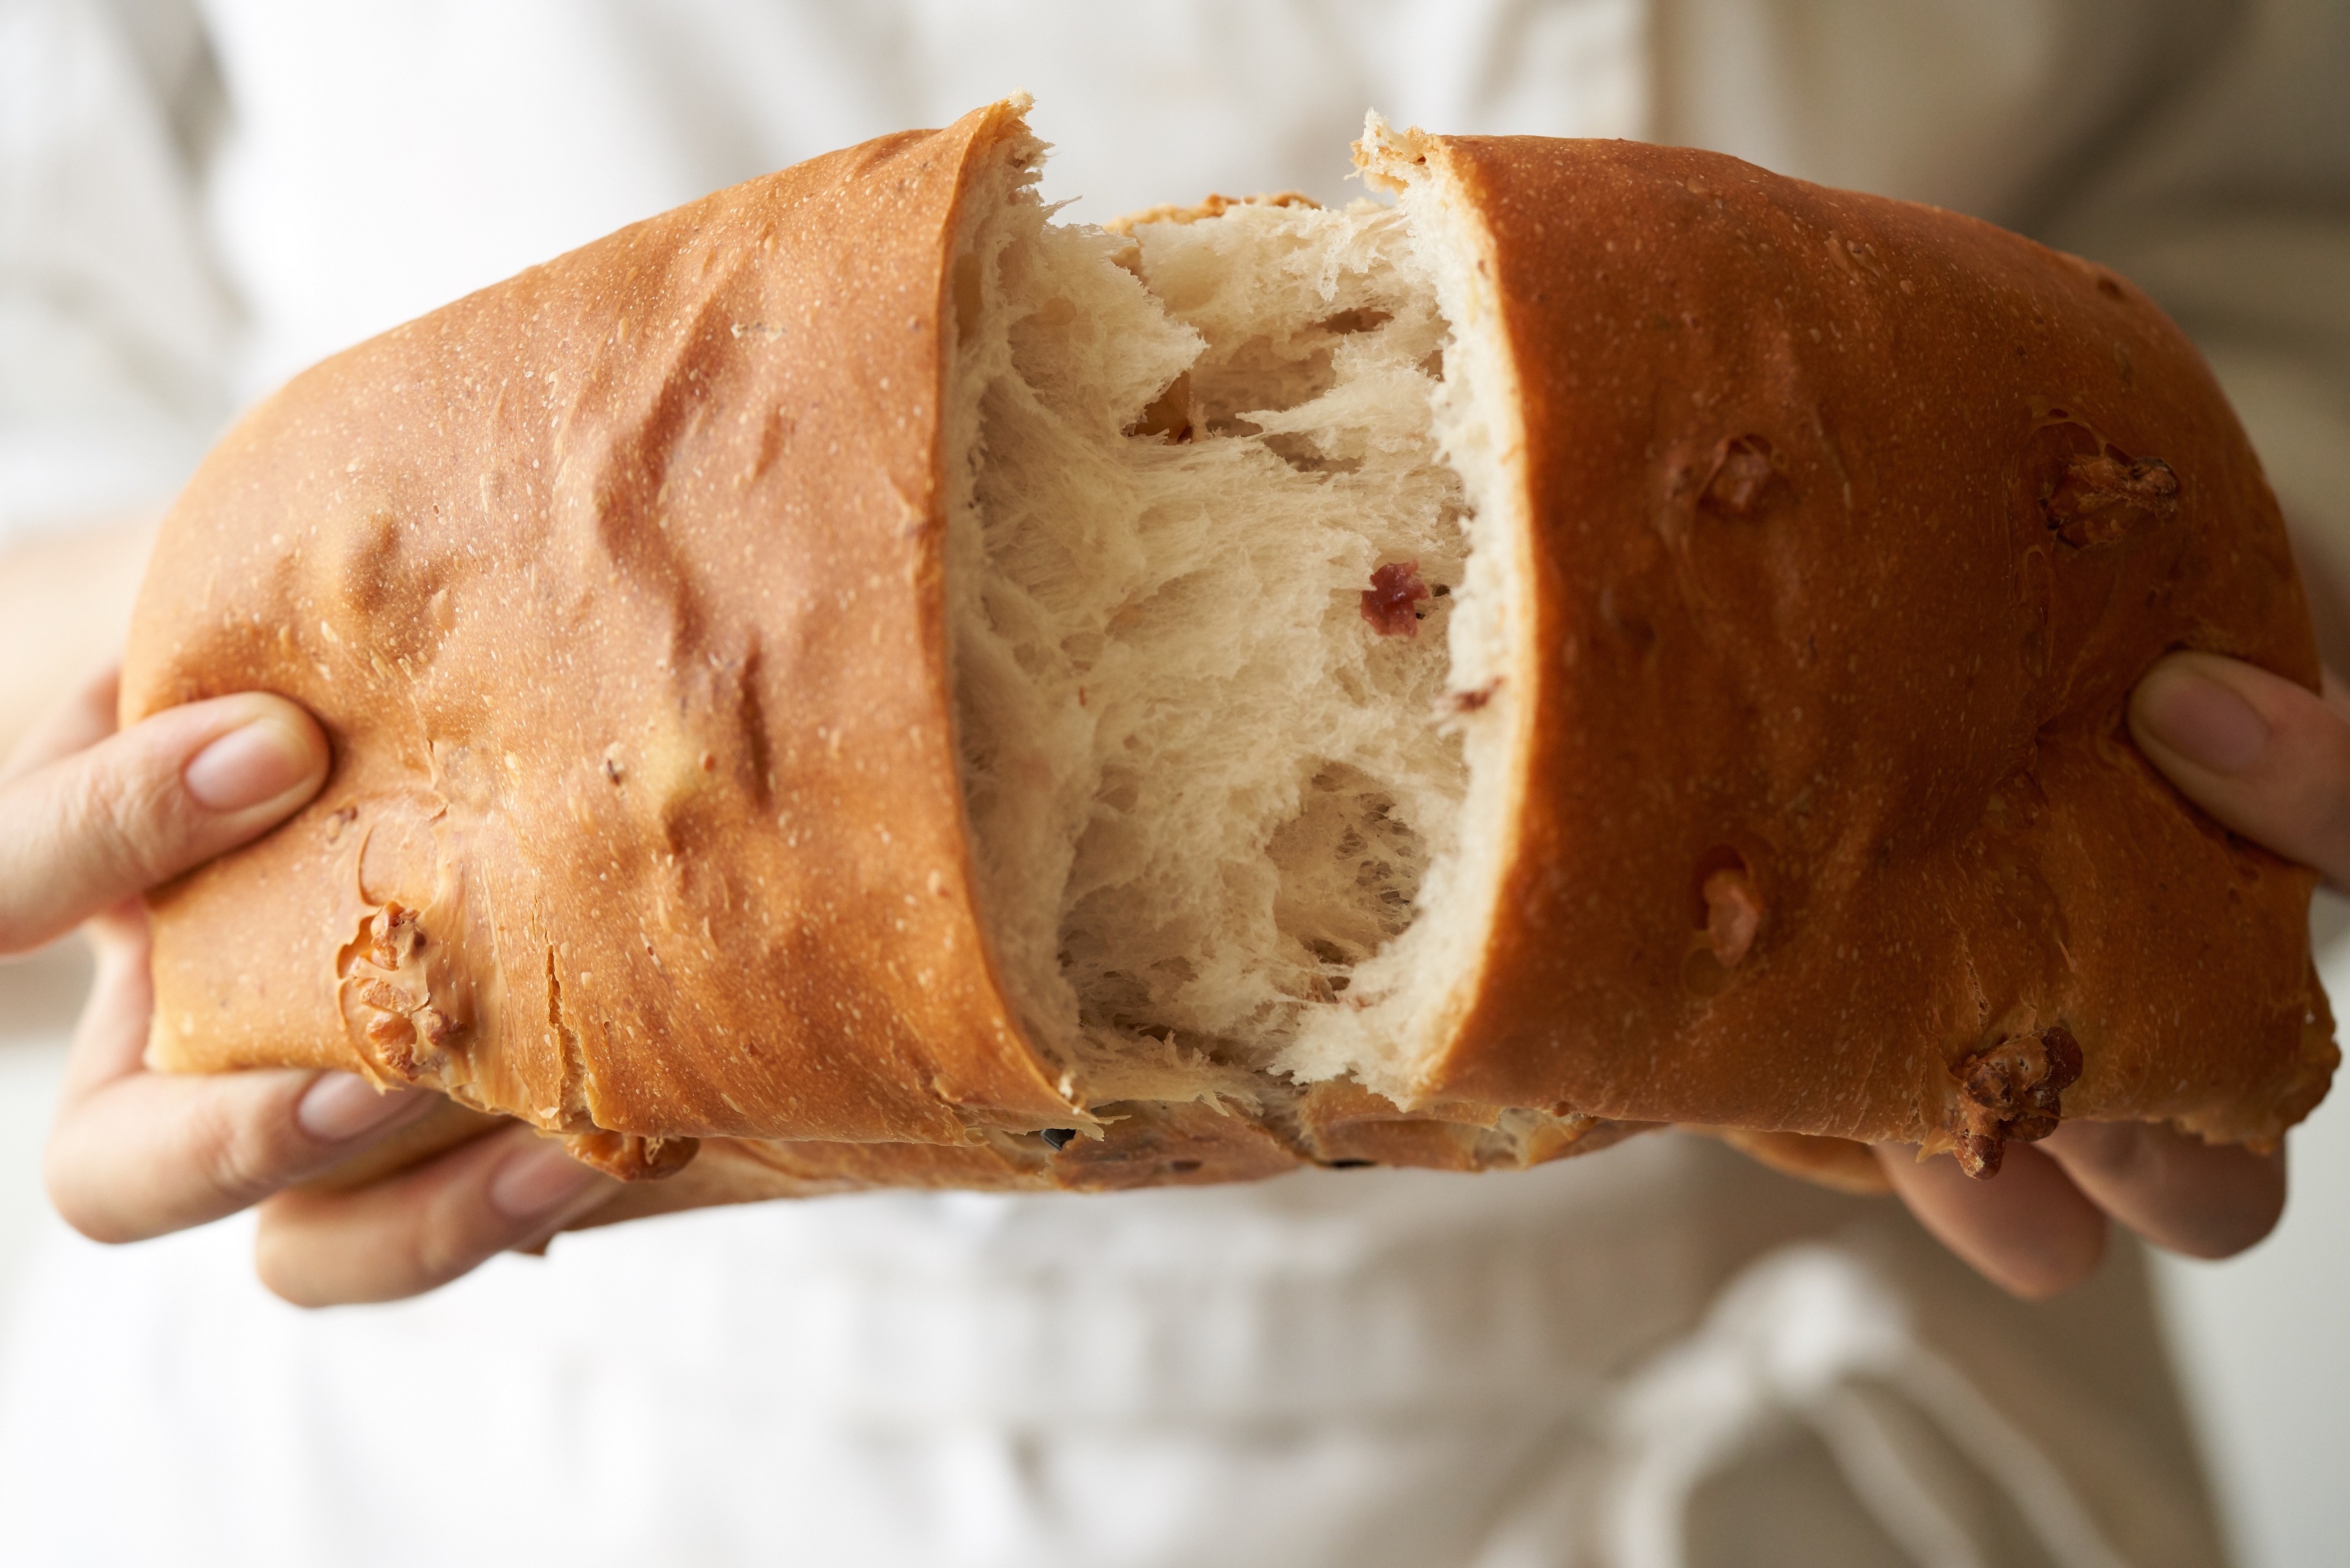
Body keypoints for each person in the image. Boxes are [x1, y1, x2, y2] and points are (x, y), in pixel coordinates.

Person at [0, 1, 2343, 1561]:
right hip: (543, 1414)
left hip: (1802, 1357)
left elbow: (2285, 287)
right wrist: (163, 776)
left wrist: (2163, 811)